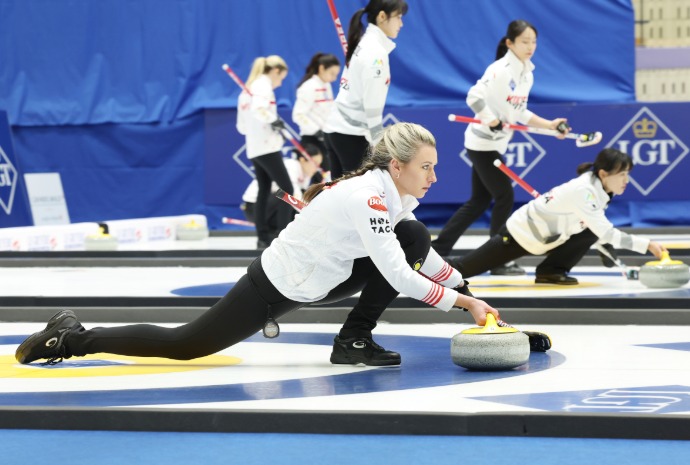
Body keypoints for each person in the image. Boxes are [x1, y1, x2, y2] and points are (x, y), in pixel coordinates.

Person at [16, 123, 500, 368]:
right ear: (397, 166)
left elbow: (422, 257)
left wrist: (472, 296)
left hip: (323, 277)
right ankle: (72, 337)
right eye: (427, 167)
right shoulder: (370, 197)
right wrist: (463, 303)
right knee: (187, 345)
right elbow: (397, 274)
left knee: (413, 236)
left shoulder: (391, 195)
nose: (435, 177)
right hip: (276, 283)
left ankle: (353, 341)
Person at [432, 20, 570, 276]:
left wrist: (550, 125)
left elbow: (519, 113)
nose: (530, 47)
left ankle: (439, 248)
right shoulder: (500, 70)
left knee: (478, 201)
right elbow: (474, 96)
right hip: (482, 143)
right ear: (510, 43)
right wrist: (489, 119)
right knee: (504, 196)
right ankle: (496, 260)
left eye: (533, 42)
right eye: (524, 42)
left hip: (494, 143)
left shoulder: (526, 73)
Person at [447, 148, 667, 285]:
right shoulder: (585, 192)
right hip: (521, 234)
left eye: (628, 175)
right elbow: (606, 232)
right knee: (462, 269)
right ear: (603, 174)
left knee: (593, 230)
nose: (626, 181)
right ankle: (421, 265)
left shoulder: (599, 190)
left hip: (547, 237)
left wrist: (607, 250)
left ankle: (551, 272)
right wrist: (648, 245)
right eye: (622, 175)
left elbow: (594, 228)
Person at [324, 0, 407, 179]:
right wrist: (379, 143)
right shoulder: (375, 52)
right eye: (398, 17)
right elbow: (372, 107)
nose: (401, 23)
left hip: (337, 129)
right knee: (359, 196)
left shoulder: (366, 44)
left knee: (340, 196)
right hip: (350, 134)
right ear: (382, 16)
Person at [236, 55, 293, 249]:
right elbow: (259, 110)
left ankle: (263, 236)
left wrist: (271, 125)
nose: (280, 83)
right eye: (282, 78)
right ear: (276, 71)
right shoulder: (263, 86)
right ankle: (283, 235)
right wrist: (273, 121)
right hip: (267, 146)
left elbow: (241, 127)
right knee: (287, 189)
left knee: (263, 188)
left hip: (254, 146)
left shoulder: (247, 90)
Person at [241, 144, 324, 235]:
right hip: (254, 208)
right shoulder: (291, 166)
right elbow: (293, 197)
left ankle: (277, 232)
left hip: (272, 209)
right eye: (315, 163)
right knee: (286, 194)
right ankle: (280, 232)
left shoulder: (306, 174)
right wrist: (312, 216)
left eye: (319, 165)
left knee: (297, 210)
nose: (317, 168)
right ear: (303, 159)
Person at [292, 52, 340, 178]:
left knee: (327, 178)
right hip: (312, 141)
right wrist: (316, 130)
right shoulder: (308, 87)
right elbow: (298, 115)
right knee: (316, 180)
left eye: (336, 75)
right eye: (332, 74)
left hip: (325, 138)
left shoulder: (327, 86)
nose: (334, 78)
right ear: (321, 68)